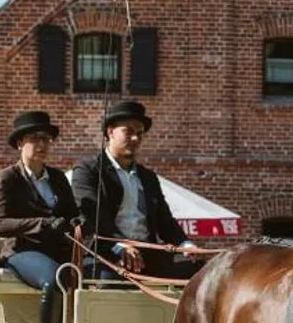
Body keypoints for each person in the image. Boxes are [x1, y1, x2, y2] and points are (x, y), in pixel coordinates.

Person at [70, 99, 199, 280]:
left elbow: (165, 220)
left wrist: (185, 244)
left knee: (203, 273)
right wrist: (120, 245)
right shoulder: (87, 171)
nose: (135, 138)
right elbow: (93, 216)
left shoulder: (148, 177)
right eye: (128, 132)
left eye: (139, 133)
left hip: (148, 255)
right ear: (110, 132)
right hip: (106, 255)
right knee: (109, 282)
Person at [0, 110, 81, 323]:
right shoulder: (8, 177)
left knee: (99, 276)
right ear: (20, 142)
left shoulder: (58, 178)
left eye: (46, 139)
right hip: (21, 251)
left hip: (58, 248)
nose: (42, 145)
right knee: (55, 279)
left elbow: (71, 214)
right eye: (34, 139)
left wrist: (77, 221)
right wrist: (41, 224)